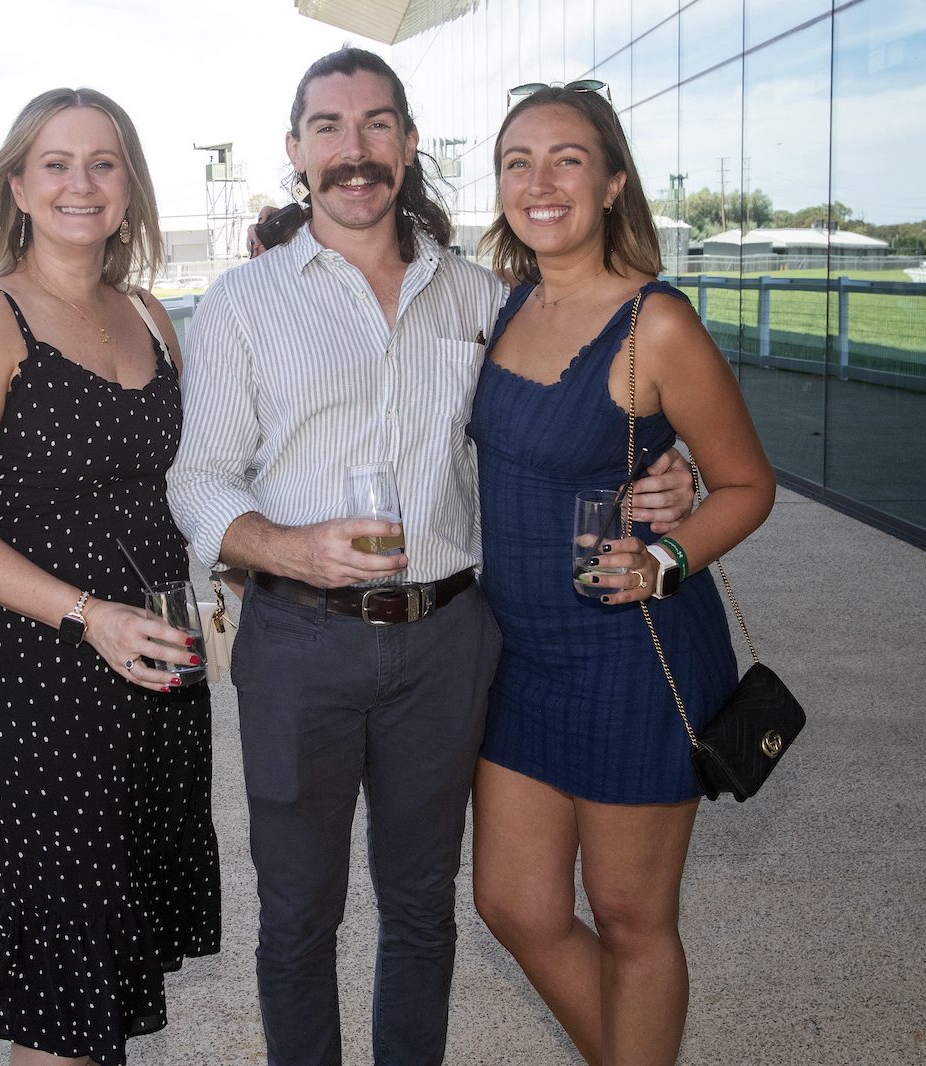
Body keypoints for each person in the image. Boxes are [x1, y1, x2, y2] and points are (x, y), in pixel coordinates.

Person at [166, 49, 692, 1066]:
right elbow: (199, 480)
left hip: (449, 642)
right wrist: (284, 546)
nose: (352, 152)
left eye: (375, 127)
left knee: (421, 907)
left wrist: (664, 474)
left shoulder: (483, 298)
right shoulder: (241, 302)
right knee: (297, 913)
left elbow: (578, 409)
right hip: (295, 643)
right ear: (294, 151)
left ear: (409, 147)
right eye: (327, 127)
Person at [0, 87, 220, 1066]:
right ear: (18, 186)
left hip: (157, 660)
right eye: (56, 163)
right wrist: (88, 615)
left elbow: (188, 479)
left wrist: (220, 585)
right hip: (41, 666)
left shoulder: (149, 315)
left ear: (129, 188)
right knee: (66, 956)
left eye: (103, 162)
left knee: (118, 929)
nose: (81, 183)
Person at [467, 85, 775, 1065]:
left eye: (566, 158)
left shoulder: (656, 325)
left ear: (612, 183)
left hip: (627, 656)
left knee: (631, 917)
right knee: (512, 904)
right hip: (517, 655)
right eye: (518, 159)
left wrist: (665, 553)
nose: (540, 180)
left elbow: (744, 483)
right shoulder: (503, 302)